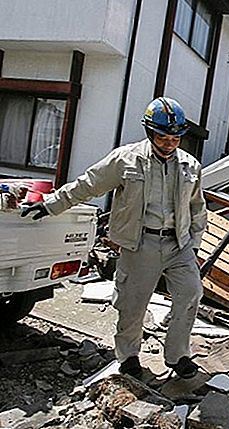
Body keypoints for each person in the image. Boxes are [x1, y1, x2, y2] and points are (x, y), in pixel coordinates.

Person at [22, 97, 207, 379]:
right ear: (149, 132)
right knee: (133, 304)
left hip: (178, 244)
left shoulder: (189, 165)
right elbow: (89, 184)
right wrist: (51, 204)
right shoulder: (126, 159)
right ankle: (129, 356)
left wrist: (194, 243)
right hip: (140, 242)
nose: (169, 143)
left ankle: (178, 355)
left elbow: (197, 207)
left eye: (175, 138)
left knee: (191, 293)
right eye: (163, 137)